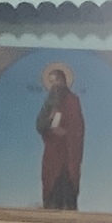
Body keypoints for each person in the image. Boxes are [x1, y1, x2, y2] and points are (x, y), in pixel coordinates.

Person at [33, 60, 87, 210]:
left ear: (63, 80)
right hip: (52, 151)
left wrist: (66, 132)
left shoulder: (72, 100)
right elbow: (39, 124)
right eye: (51, 82)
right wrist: (49, 124)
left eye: (56, 81)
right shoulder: (49, 103)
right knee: (51, 182)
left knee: (66, 184)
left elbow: (78, 127)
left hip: (68, 152)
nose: (54, 85)